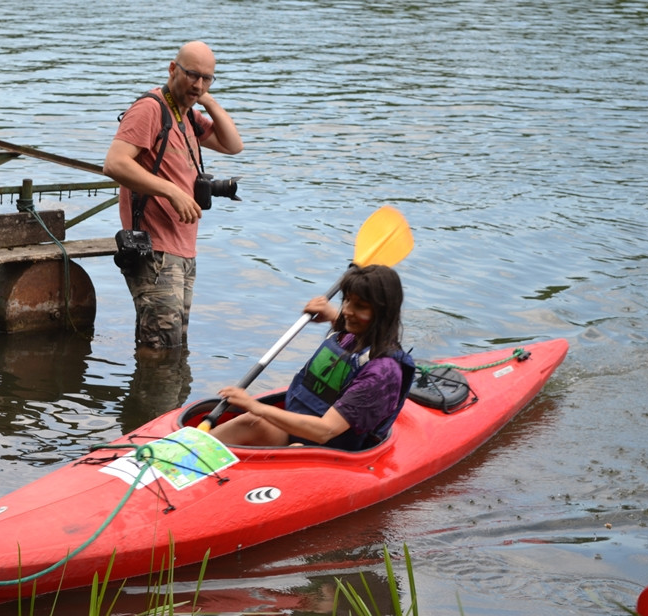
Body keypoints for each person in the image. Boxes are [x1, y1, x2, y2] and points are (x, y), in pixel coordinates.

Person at [103, 41, 244, 350]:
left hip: (183, 251)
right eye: (192, 75)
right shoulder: (151, 109)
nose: (198, 85)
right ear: (172, 69)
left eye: (207, 78)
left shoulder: (187, 116)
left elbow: (233, 145)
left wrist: (207, 101)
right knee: (161, 349)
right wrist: (171, 191)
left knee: (174, 346)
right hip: (154, 252)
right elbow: (114, 163)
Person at [210, 265, 415, 451]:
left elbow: (325, 431)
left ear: (382, 313)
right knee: (250, 422)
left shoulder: (382, 374)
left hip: (328, 453)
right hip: (298, 434)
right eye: (346, 300)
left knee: (282, 437)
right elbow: (351, 338)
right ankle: (193, 452)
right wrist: (332, 316)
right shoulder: (352, 336)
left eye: (359, 306)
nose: (347, 310)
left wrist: (255, 406)